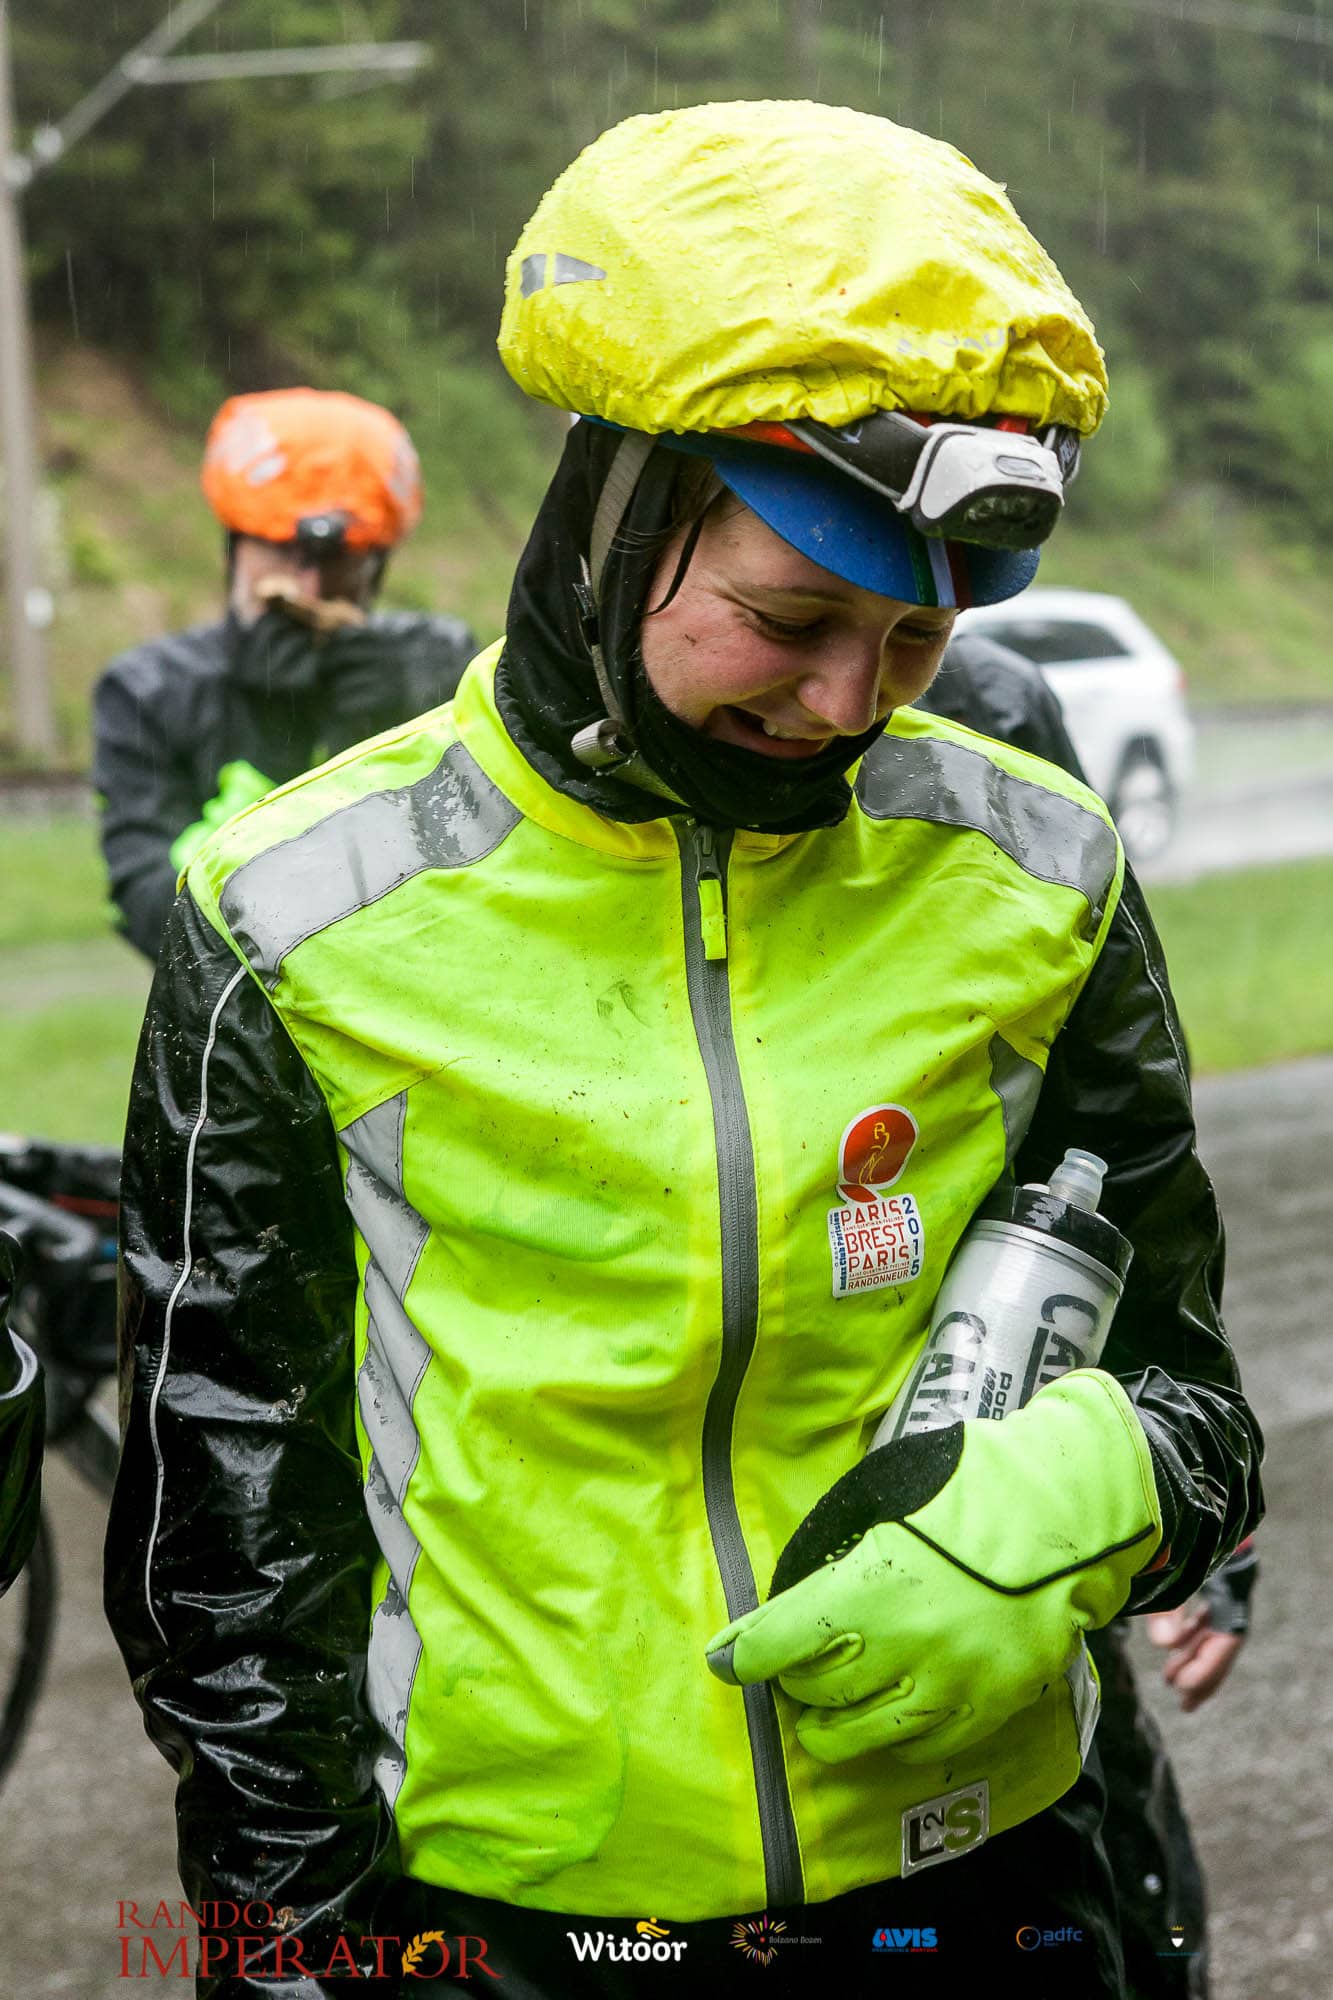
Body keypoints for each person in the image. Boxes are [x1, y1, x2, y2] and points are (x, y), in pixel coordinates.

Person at [105, 102, 1262, 1998]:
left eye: (916, 643)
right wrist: (289, 1960)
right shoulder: (293, 915)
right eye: (789, 619)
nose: (847, 702)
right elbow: (226, 1561)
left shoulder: (1036, 868)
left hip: (979, 1881)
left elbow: (1193, 1399)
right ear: (615, 517)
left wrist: (1112, 1492)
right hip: (522, 1919)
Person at [922, 633, 1257, 1997]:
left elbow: (1125, 1163)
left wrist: (1202, 1529)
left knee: (1116, 1902)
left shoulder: (988, 702)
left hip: (1007, 1408)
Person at [92, 388, 476, 960]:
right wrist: (274, 751)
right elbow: (158, 922)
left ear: (377, 565)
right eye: (283, 552)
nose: (310, 587)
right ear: (234, 550)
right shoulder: (149, 690)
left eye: (338, 559)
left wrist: (410, 731)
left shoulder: (437, 660)